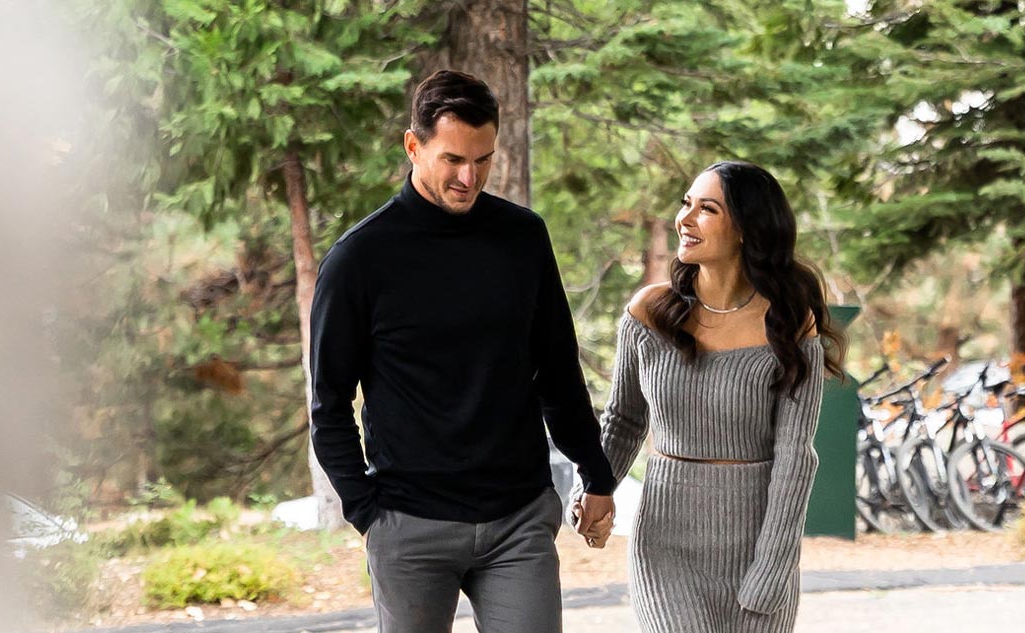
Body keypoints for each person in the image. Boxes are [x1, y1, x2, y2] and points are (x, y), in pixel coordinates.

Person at [307, 69, 618, 633]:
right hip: (409, 525)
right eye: (452, 159)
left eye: (484, 159)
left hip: (518, 518)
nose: (468, 177)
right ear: (413, 145)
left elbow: (557, 368)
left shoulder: (523, 237)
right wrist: (368, 515)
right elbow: (328, 403)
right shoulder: (359, 260)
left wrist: (595, 472)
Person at [592, 160, 841, 632]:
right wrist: (596, 487)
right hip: (665, 543)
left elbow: (794, 457)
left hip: (757, 546)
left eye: (707, 209)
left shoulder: (789, 324)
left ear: (747, 229)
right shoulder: (649, 313)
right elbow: (623, 420)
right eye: (686, 204)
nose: (685, 219)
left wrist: (773, 568)